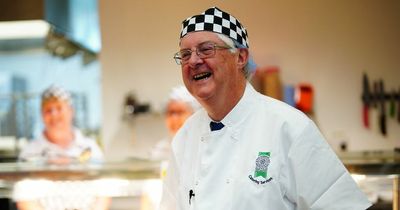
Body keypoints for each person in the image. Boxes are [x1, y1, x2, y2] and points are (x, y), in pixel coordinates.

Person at [160, 7, 371, 210]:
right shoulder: (185, 137)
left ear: (241, 57)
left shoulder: (289, 128)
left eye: (206, 49)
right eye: (185, 54)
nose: (194, 61)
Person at [14, 85, 110, 210]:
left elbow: (104, 194)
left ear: (71, 111)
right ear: (42, 115)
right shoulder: (29, 153)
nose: (54, 114)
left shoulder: (90, 148)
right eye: (48, 110)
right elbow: (25, 200)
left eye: (59, 108)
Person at [150, 85, 200, 160]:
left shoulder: (201, 147)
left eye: (179, 112)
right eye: (171, 112)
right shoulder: (160, 150)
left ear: (193, 114)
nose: (174, 118)